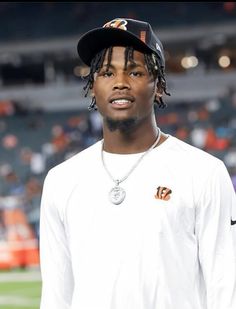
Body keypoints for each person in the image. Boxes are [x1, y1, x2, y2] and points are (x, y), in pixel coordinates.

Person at [39, 18, 236, 309]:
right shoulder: (61, 180)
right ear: (93, 87)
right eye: (106, 73)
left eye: (135, 71)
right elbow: (56, 294)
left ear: (158, 86)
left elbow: (226, 285)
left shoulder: (203, 172)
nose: (120, 82)